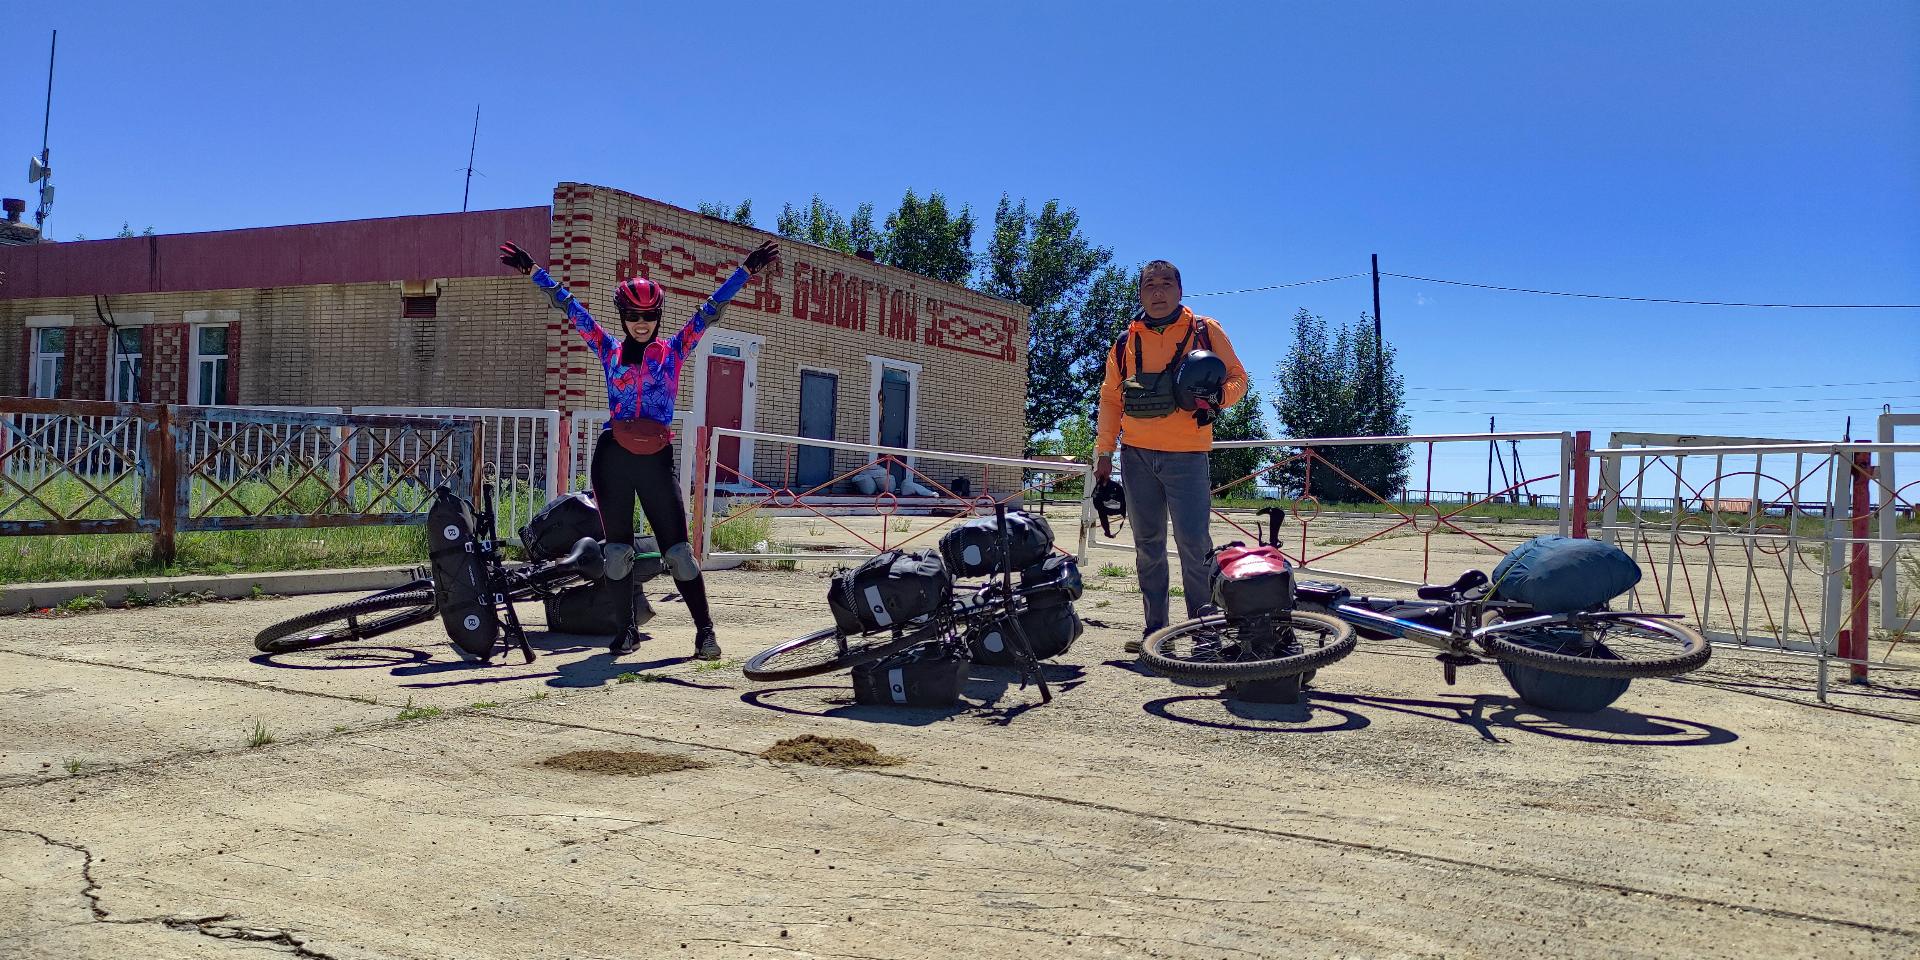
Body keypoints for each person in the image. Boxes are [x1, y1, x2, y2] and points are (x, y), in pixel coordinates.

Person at [499, 237, 780, 659]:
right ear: (623, 316)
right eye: (633, 315)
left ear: (658, 316)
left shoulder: (674, 350)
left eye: (649, 315)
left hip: (655, 459)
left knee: (679, 552)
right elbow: (570, 308)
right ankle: (625, 630)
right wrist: (533, 271)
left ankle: (705, 633)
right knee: (617, 552)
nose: (641, 323)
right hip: (613, 458)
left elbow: (710, 310)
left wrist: (745, 271)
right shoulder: (608, 349)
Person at [1092, 260, 1249, 652]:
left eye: (1166, 284)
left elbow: (1238, 378)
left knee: (1194, 545)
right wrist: (1104, 452)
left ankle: (1205, 634)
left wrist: (1220, 397)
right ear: (1140, 293)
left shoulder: (1205, 330)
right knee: (1147, 546)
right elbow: (1111, 398)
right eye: (1150, 285)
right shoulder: (1125, 341)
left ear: (1180, 290)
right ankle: (1156, 634)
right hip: (1136, 455)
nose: (1158, 292)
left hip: (1188, 455)